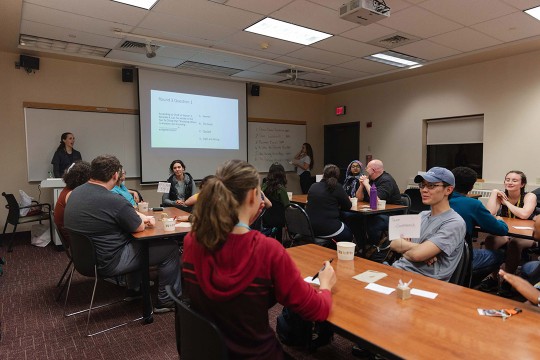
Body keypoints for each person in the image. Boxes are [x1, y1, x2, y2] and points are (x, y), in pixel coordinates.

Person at [182, 159, 335, 359]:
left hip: (210, 351)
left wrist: (247, 220)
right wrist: (325, 285)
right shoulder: (268, 250)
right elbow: (317, 310)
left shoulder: (192, 240)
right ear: (254, 195)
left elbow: (236, 300)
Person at [64, 155, 181, 313]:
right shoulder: (113, 199)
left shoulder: (74, 193)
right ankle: (167, 301)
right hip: (109, 261)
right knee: (170, 248)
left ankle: (134, 289)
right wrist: (144, 220)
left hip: (83, 259)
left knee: (134, 242)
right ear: (115, 175)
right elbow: (138, 227)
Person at [391, 167, 466, 281]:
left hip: (425, 281)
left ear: (448, 190)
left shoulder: (455, 222)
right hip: (398, 270)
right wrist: (419, 248)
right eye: (422, 185)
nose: (424, 190)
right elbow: (394, 243)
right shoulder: (422, 215)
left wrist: (409, 249)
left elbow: (417, 255)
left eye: (431, 186)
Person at [449, 167, 508, 285]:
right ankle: (471, 280)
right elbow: (501, 229)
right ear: (471, 186)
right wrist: (501, 220)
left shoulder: (439, 200)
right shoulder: (473, 204)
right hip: (461, 258)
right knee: (502, 254)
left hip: (441, 254)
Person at [481, 170, 537, 296]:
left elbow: (524, 214)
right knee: (490, 239)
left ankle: (508, 280)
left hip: (526, 234)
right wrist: (494, 193)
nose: (510, 182)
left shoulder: (529, 196)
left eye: (514, 180)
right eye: (507, 179)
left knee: (515, 244)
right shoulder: (500, 194)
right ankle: (494, 278)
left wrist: (505, 202)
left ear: (522, 184)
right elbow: (490, 214)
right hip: (507, 231)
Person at [355, 159, 401, 245]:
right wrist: (361, 186)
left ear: (373, 170)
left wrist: (366, 184)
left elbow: (376, 200)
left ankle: (374, 248)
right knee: (353, 218)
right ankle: (362, 246)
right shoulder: (371, 179)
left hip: (391, 214)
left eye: (367, 168)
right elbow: (359, 199)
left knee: (372, 222)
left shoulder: (386, 180)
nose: (365, 169)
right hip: (374, 212)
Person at [306, 164, 354, 246]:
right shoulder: (337, 187)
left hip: (311, 228)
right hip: (329, 229)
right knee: (349, 234)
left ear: (323, 174)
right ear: (338, 176)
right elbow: (348, 206)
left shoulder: (313, 186)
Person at [53, 161, 91, 243]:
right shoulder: (72, 194)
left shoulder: (68, 189)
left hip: (72, 233)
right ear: (83, 178)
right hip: (75, 240)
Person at [261, 163, 289, 240]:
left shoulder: (264, 186)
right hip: (279, 221)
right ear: (282, 174)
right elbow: (287, 206)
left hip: (265, 219)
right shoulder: (281, 189)